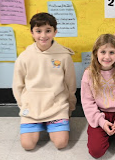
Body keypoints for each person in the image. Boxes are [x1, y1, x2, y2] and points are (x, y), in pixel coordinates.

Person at [12, 13, 77, 151]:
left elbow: (70, 85)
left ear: (55, 32)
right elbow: (17, 86)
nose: (43, 35)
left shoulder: (64, 56)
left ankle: (51, 123)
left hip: (56, 107)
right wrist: (24, 105)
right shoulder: (24, 57)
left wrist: (70, 108)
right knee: (27, 145)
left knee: (61, 143)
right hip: (32, 107)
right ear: (32, 32)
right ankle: (39, 123)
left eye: (48, 30)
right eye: (38, 31)